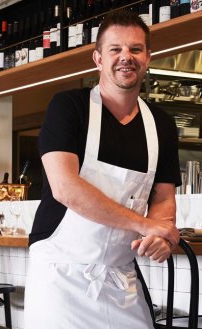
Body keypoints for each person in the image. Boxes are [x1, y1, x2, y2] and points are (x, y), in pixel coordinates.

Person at [24, 10, 181, 329]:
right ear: (98, 58)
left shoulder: (160, 125)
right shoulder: (69, 107)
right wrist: (146, 224)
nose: (127, 57)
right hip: (61, 273)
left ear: (148, 58)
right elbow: (65, 188)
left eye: (136, 49)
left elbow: (163, 196)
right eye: (116, 49)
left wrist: (163, 233)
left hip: (120, 277)